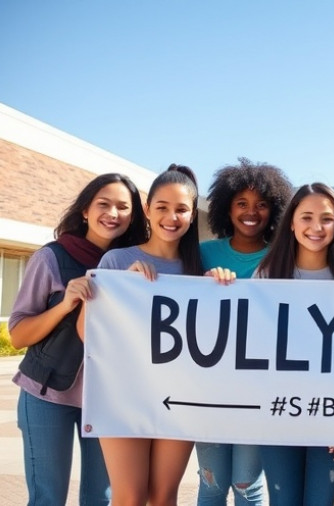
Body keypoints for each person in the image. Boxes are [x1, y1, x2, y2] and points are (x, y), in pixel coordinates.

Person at [10, 173, 146, 506]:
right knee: (47, 497)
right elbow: (17, 334)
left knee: (101, 498)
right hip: (47, 394)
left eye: (122, 207)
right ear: (85, 210)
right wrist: (65, 305)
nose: (112, 213)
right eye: (104, 204)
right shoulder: (51, 257)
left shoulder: (133, 263)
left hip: (107, 400)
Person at [90, 164, 204, 505]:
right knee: (129, 497)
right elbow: (88, 335)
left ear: (192, 214)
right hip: (123, 393)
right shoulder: (116, 260)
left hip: (181, 394)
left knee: (164, 496)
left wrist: (221, 284)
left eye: (182, 209)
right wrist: (120, 286)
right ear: (147, 210)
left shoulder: (198, 267)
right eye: (163, 208)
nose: (172, 217)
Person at [195, 158, 293, 505]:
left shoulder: (283, 256)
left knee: (246, 485)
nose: (251, 212)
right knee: (211, 483)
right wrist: (202, 286)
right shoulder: (203, 253)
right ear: (226, 208)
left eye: (261, 205)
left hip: (258, 390)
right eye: (241, 203)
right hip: (209, 387)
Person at [255, 182, 334, 505]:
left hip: (332, 418)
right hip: (279, 414)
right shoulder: (268, 274)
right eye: (307, 217)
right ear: (291, 222)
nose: (317, 227)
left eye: (327, 219)